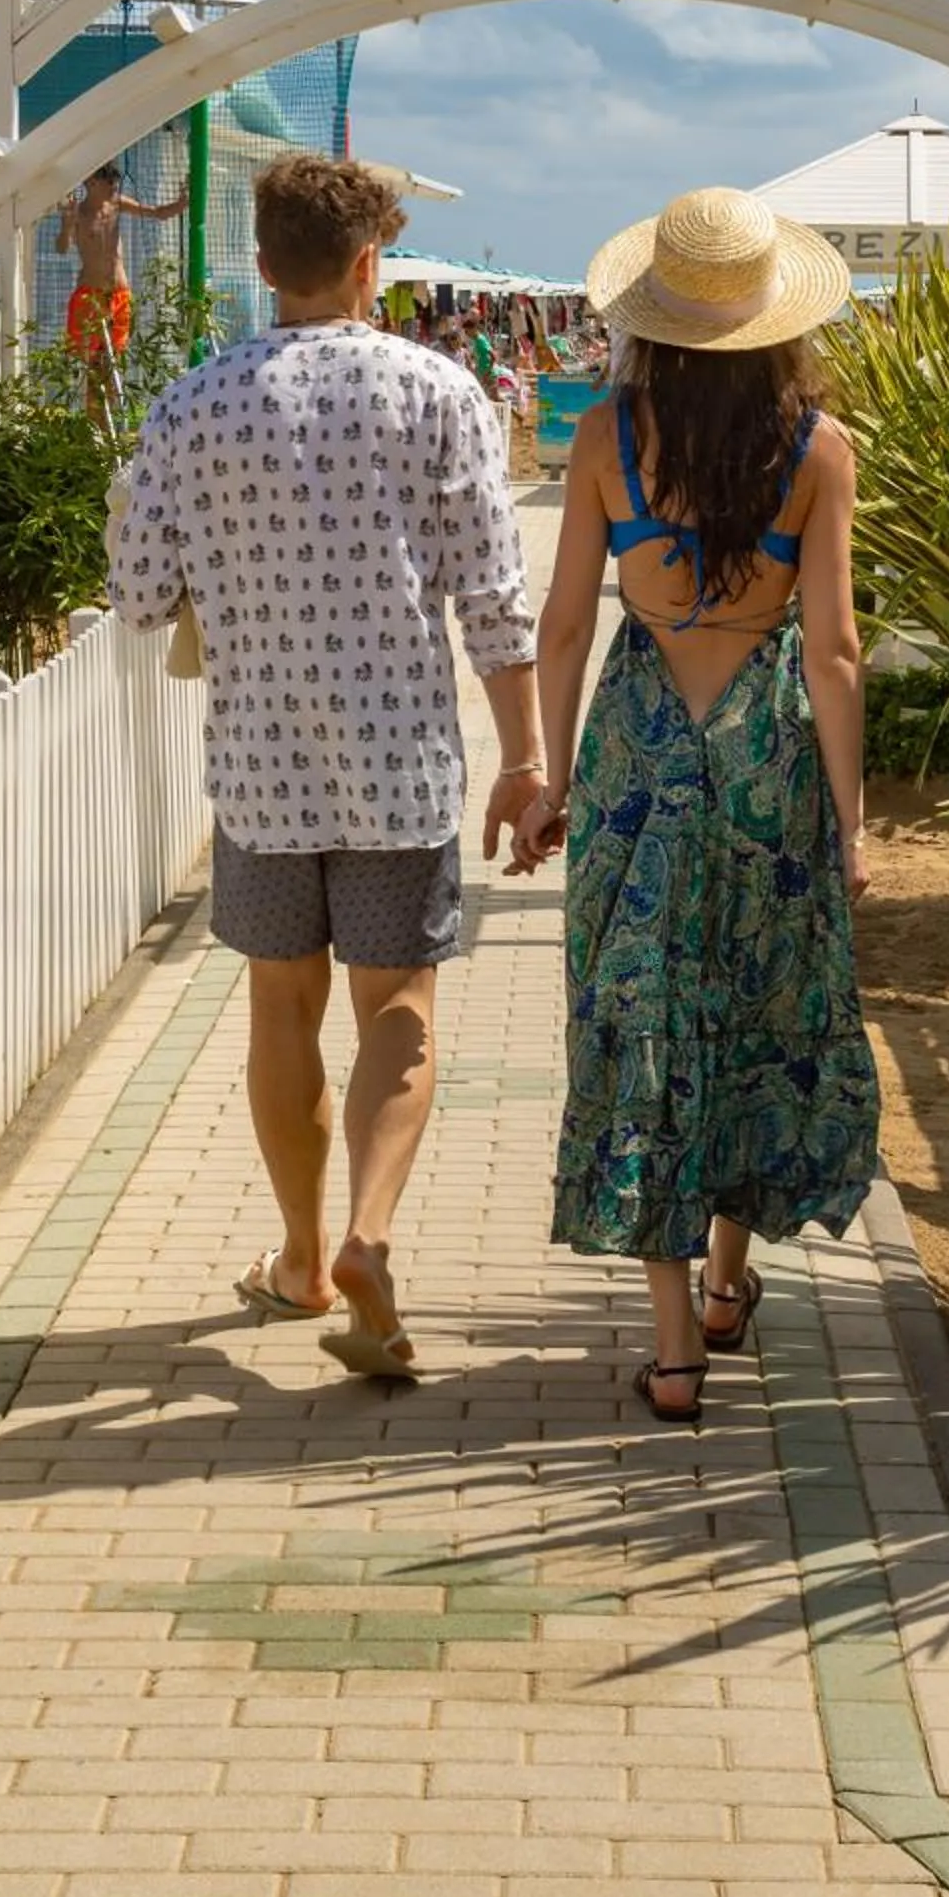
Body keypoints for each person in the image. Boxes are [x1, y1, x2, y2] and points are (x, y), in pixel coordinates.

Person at [109, 156, 544, 1378]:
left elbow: (139, 596)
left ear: (261, 265)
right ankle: (369, 1234)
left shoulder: (192, 405)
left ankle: (298, 1260)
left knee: (280, 1012)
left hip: (259, 771)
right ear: (370, 264)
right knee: (396, 1014)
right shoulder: (441, 393)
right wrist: (523, 755)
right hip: (399, 768)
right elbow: (492, 599)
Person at [507, 186, 878, 1423]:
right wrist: (851, 821)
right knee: (754, 1004)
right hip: (766, 752)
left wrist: (554, 775)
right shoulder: (820, 450)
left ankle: (675, 1348)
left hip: (638, 754)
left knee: (645, 1013)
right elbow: (832, 653)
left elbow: (562, 623)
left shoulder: (608, 437)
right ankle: (731, 1283)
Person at [56, 160, 186, 371]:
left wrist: (181, 204)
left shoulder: (117, 204)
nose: (114, 189)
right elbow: (62, 247)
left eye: (115, 185)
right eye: (109, 184)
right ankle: (92, 403)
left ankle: (111, 402)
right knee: (88, 360)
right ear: (92, 182)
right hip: (90, 294)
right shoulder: (78, 213)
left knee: (113, 360)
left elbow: (156, 212)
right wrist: (67, 226)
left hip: (119, 293)